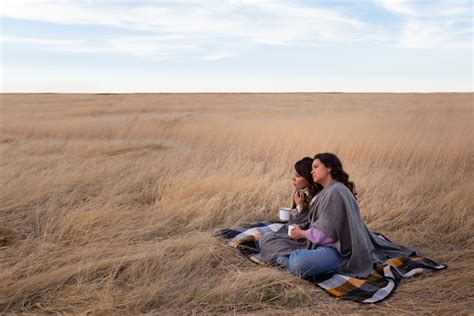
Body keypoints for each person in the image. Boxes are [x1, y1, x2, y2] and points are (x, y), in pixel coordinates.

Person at [288, 152, 415, 278]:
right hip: (329, 246)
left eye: (316, 167)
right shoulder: (330, 190)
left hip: (341, 252)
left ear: (329, 168)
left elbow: (326, 235)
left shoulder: (335, 191)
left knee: (297, 262)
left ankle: (334, 265)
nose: (311, 172)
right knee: (284, 248)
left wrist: (302, 234)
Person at [255, 157, 323, 264]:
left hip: (307, 239)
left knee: (267, 242)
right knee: (265, 238)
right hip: (296, 234)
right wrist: (295, 210)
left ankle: (286, 260)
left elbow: (311, 224)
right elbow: (295, 221)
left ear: (309, 178)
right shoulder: (300, 193)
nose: (293, 179)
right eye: (294, 174)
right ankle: (283, 258)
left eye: (298, 176)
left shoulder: (318, 197)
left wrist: (299, 206)